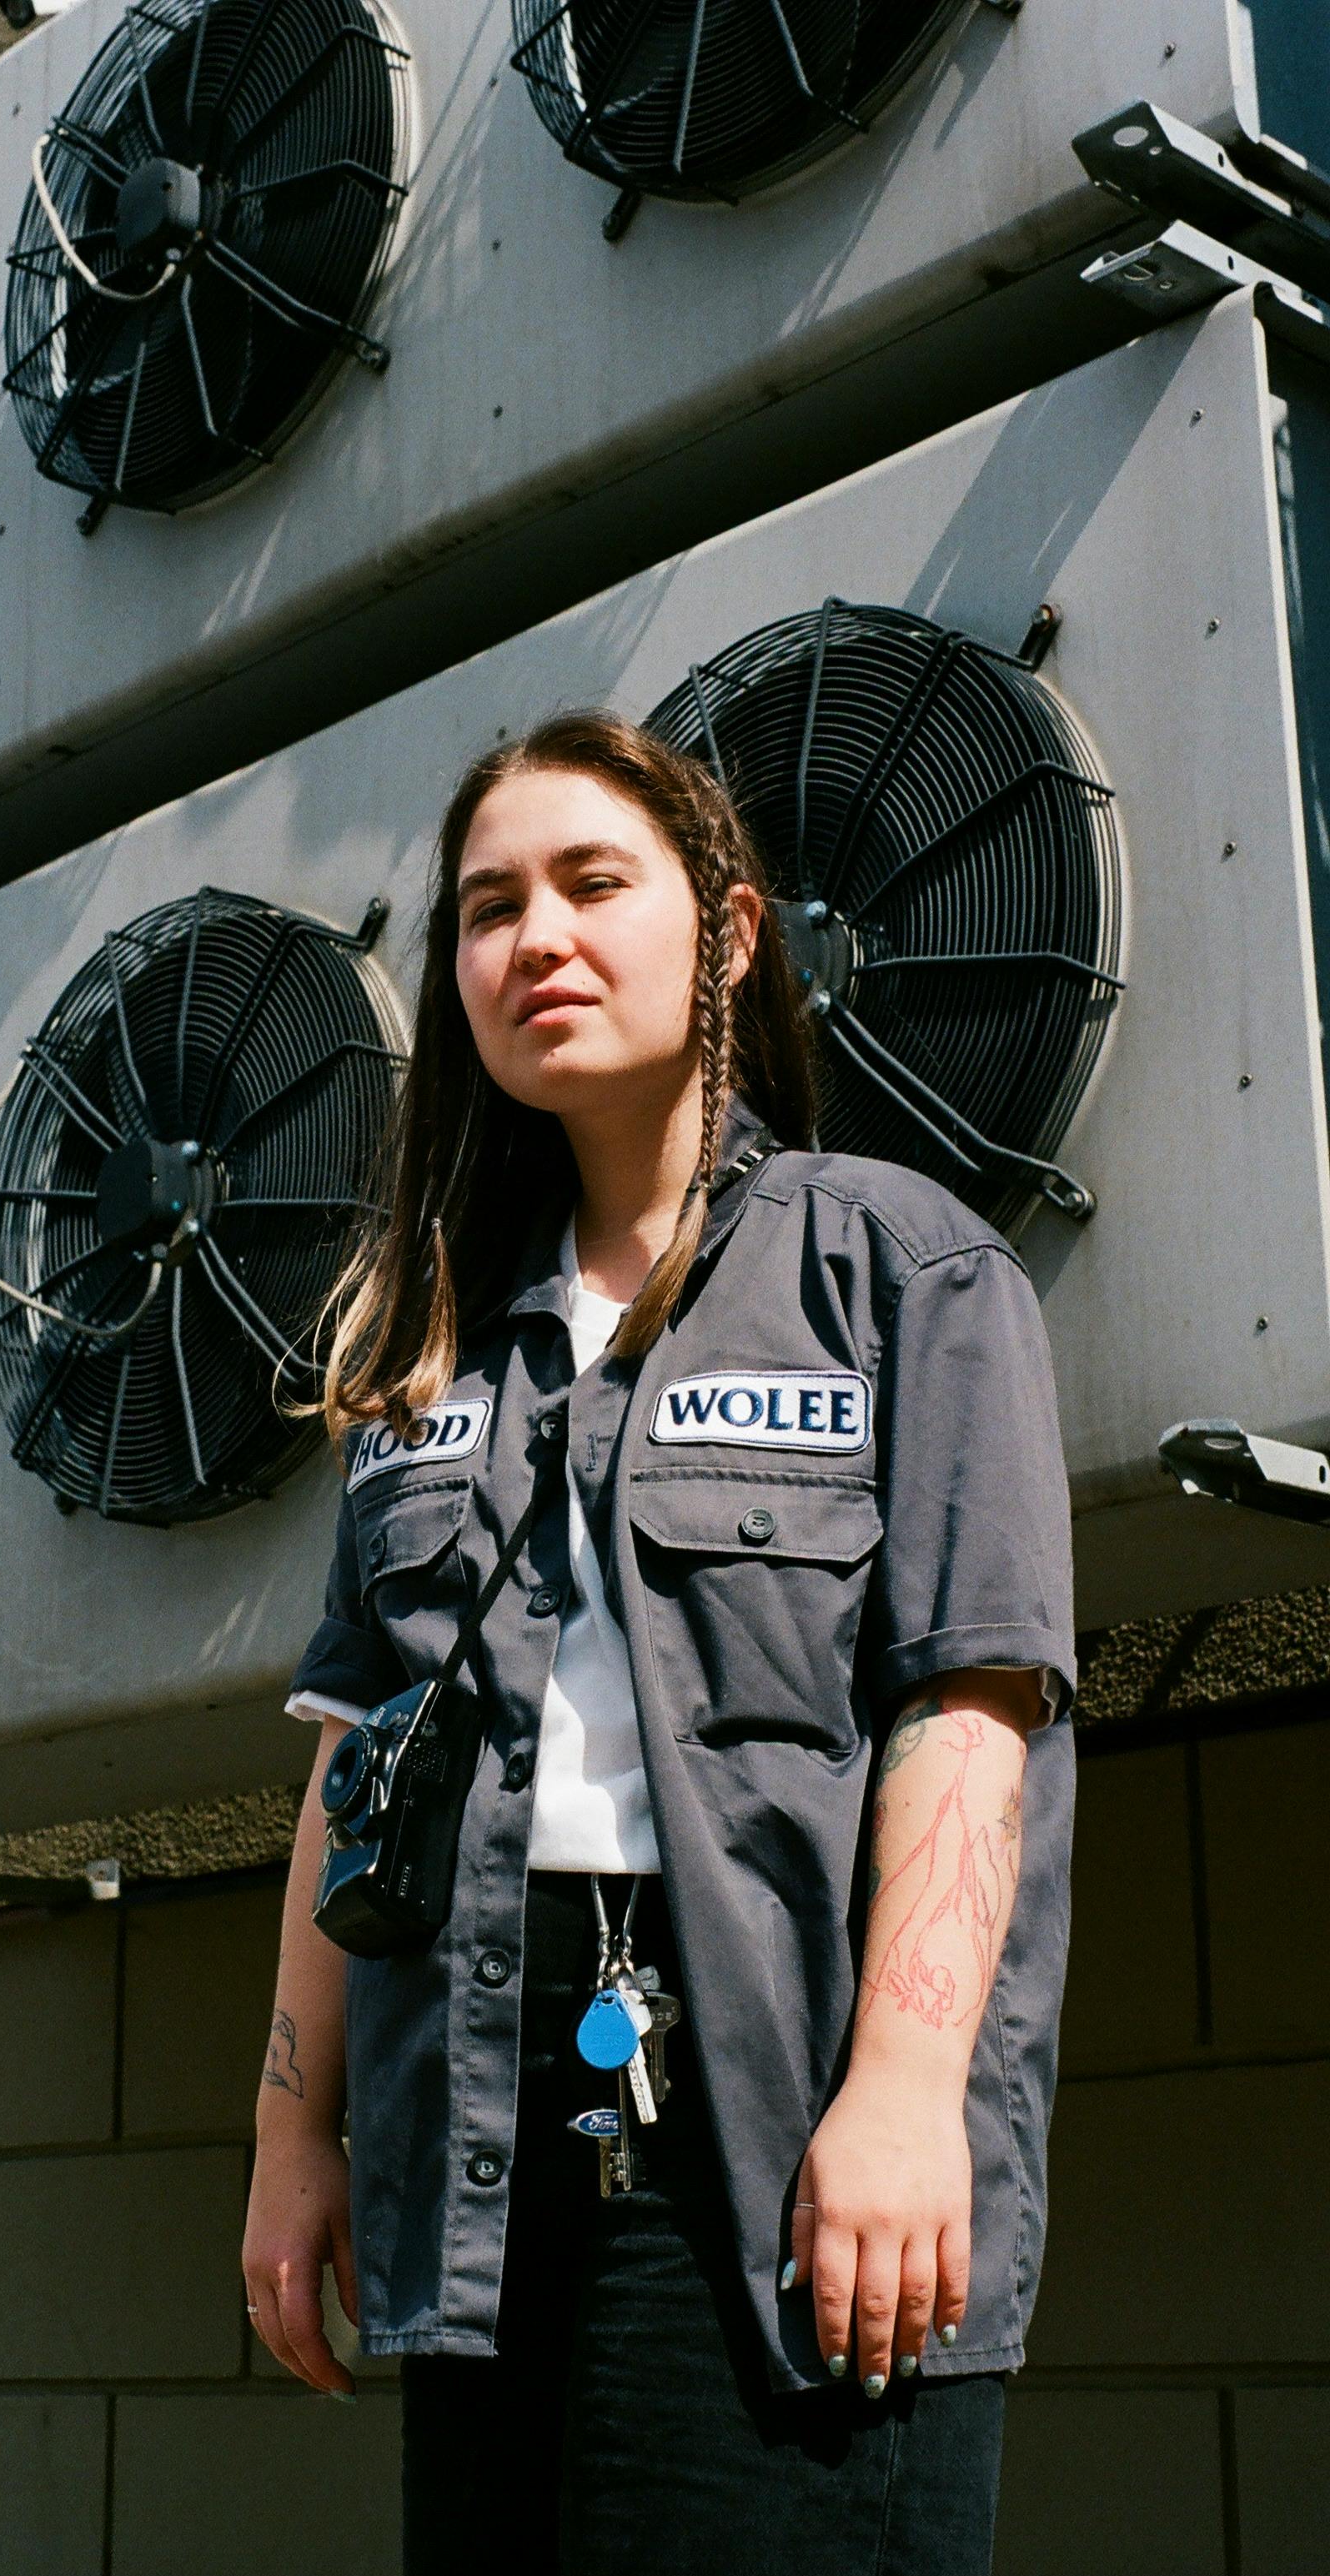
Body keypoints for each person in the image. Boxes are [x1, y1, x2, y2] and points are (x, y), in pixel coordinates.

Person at [242, 711, 1076, 2574]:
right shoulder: (425, 1349)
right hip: (471, 2106)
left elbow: (970, 1709)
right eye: (483, 908)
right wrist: (293, 2138)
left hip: (769, 2118)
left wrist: (903, 2093)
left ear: (728, 931)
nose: (530, 936)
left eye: (589, 882)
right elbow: (348, 1762)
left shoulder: (904, 1271)